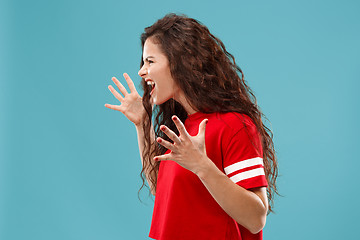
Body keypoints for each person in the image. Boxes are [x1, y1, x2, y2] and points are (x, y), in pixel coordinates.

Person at [105, 13, 278, 240]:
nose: (141, 71)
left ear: (179, 62)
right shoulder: (182, 127)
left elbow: (256, 219)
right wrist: (143, 124)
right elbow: (162, 189)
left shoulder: (235, 125)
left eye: (150, 61)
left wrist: (202, 166)